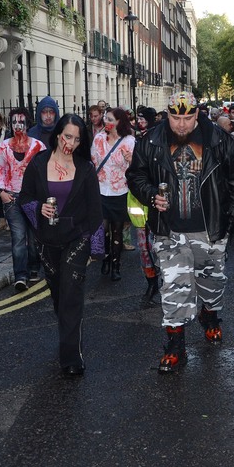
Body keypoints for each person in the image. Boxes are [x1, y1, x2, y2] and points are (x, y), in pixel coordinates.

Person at [126, 91, 234, 373]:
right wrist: (151, 194)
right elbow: (135, 176)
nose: (181, 124)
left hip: (209, 229)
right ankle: (175, 343)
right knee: (173, 286)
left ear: (197, 114)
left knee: (212, 284)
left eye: (187, 117)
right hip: (169, 230)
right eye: (175, 117)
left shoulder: (219, 140)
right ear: (167, 114)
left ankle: (210, 314)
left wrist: (231, 223)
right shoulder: (151, 140)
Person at [17, 114, 102, 377]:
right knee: (58, 294)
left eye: (77, 139)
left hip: (77, 238)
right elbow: (25, 197)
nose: (71, 143)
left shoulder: (85, 168)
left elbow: (95, 210)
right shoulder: (39, 163)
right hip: (47, 240)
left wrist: (96, 246)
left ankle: (71, 357)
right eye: (67, 136)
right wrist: (37, 208)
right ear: (57, 135)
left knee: (71, 295)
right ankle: (67, 333)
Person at [0, 107, 47, 292]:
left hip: (33, 198)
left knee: (34, 237)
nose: (18, 125)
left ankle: (34, 268)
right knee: (18, 237)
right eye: (14, 122)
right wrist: (1, 191)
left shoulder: (38, 147)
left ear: (27, 124)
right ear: (10, 124)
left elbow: (44, 172)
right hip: (12, 198)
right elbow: (0, 170)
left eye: (21, 121)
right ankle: (20, 276)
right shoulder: (4, 146)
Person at [92, 107, 136, 282]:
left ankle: (116, 266)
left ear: (119, 122)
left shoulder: (129, 141)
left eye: (110, 119)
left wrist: (129, 160)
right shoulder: (98, 139)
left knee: (117, 230)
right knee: (103, 229)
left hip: (119, 190)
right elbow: (93, 161)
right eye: (106, 119)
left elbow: (134, 167)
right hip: (101, 189)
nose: (107, 122)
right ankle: (106, 258)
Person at [133, 107, 162, 307]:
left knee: (159, 246)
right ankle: (151, 283)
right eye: (138, 119)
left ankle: (166, 282)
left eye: (142, 119)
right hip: (137, 201)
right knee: (143, 248)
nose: (139, 122)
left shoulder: (159, 140)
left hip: (158, 202)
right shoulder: (132, 141)